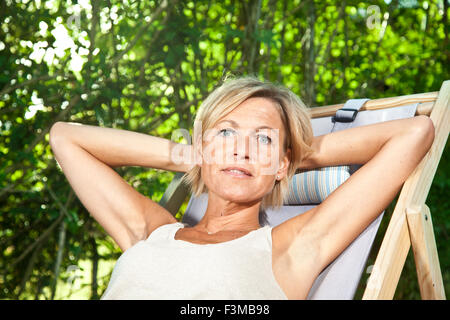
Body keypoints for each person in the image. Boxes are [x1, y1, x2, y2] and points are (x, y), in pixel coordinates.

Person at [49, 76, 435, 299]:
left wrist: (295, 151)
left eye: (262, 139)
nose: (242, 150)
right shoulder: (151, 232)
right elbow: (66, 137)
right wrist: (188, 155)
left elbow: (414, 133)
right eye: (227, 133)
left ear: (284, 164)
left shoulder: (290, 249)